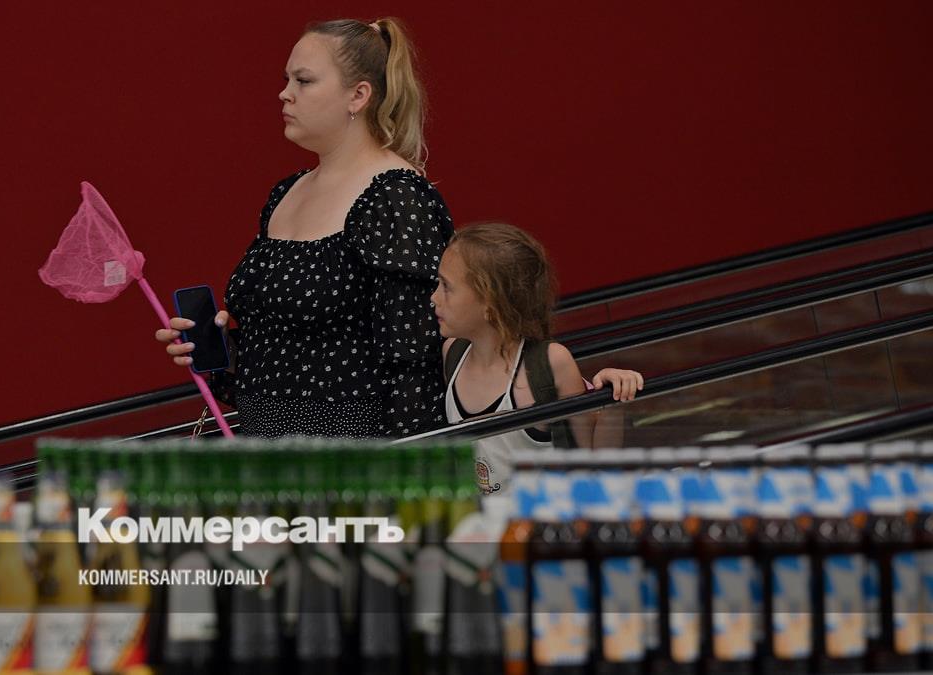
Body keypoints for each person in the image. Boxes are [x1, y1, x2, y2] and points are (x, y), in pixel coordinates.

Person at [157, 17, 454, 438]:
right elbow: (288, 348)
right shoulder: (286, 191)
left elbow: (414, 360)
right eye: (287, 79)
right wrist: (214, 347)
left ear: (358, 95)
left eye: (304, 80)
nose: (285, 93)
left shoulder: (395, 197)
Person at [432, 222, 645, 496]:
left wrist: (612, 398)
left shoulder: (550, 363)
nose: (434, 297)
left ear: (490, 303)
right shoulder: (453, 354)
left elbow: (592, 459)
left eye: (446, 287)